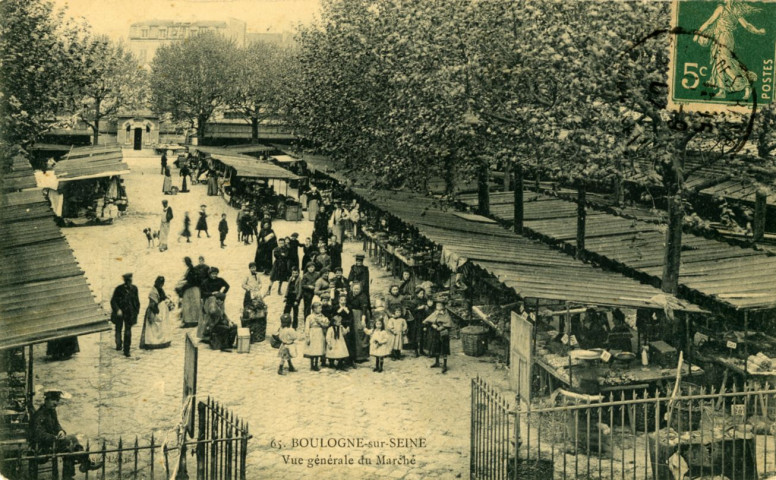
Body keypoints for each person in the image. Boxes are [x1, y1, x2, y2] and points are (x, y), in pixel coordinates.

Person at [30, 390, 102, 477]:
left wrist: (61, 431)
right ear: (46, 400)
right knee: (68, 445)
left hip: (52, 443)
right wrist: (54, 437)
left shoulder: (52, 411)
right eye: (53, 400)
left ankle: (79, 467)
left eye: (57, 400)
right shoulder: (39, 415)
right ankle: (81, 465)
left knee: (72, 441)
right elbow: (38, 434)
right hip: (41, 447)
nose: (56, 403)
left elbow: (57, 425)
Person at [110, 273, 140, 358]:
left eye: (130, 281)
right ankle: (118, 344)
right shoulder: (119, 289)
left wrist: (136, 312)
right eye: (127, 281)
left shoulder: (134, 289)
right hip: (120, 313)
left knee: (128, 331)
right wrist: (117, 310)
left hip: (129, 313)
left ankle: (127, 350)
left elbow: (137, 302)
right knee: (118, 329)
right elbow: (113, 301)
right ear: (125, 281)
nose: (129, 283)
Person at [140, 276, 172, 349]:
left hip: (162, 311)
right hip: (154, 310)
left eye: (162, 283)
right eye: (160, 283)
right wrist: (156, 311)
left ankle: (162, 342)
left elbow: (163, 298)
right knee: (153, 328)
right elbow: (152, 304)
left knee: (161, 326)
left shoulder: (160, 290)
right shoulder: (153, 291)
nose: (161, 284)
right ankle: (152, 343)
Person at [198, 267, 230, 340]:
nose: (214, 275)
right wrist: (212, 293)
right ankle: (206, 335)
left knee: (219, 314)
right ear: (209, 274)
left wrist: (222, 293)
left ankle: (218, 333)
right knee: (210, 315)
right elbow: (202, 293)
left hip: (218, 300)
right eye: (212, 274)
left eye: (215, 274)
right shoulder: (205, 282)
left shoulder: (220, 280)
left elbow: (227, 286)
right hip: (209, 300)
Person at [425, 299, 453, 373]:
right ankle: (437, 362)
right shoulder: (435, 313)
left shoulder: (446, 313)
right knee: (436, 347)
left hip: (443, 332)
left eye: (440, 305)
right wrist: (433, 325)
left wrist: (442, 327)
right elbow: (427, 320)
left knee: (444, 348)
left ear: (443, 306)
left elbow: (449, 323)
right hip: (435, 332)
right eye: (437, 305)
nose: (438, 307)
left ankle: (445, 364)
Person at [347, 282, 372, 363]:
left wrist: (363, 318)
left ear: (360, 289)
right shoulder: (350, 294)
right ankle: (354, 355)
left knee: (360, 333)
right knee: (353, 334)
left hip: (360, 314)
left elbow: (364, 307)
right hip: (352, 315)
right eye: (355, 289)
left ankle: (362, 356)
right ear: (352, 288)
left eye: (357, 289)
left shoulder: (363, 296)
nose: (356, 290)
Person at [303, 301, 329, 371]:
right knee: (312, 349)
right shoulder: (309, 317)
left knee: (318, 349)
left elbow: (326, 324)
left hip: (319, 334)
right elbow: (307, 327)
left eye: (321, 308)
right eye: (318, 308)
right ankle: (312, 364)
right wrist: (307, 336)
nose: (320, 310)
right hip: (313, 333)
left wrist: (322, 322)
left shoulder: (322, 316)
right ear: (314, 309)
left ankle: (316, 364)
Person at [177, 257, 203, 328]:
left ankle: (191, 322)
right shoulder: (190, 269)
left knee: (191, 306)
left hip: (192, 289)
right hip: (191, 289)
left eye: (186, 262)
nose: (185, 263)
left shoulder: (192, 270)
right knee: (190, 306)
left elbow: (192, 281)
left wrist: (184, 286)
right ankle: (191, 321)